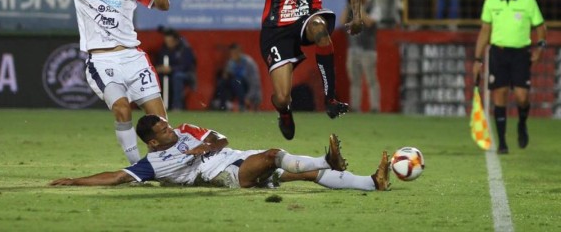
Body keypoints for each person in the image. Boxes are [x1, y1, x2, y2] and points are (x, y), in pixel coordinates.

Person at [44, 0, 170, 164]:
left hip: (133, 57)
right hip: (102, 59)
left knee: (159, 122)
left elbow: (163, 5)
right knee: (122, 109)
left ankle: (166, 165)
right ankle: (137, 167)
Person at [233, 0, 364, 140]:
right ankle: (284, 112)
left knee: (320, 30)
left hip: (307, 17)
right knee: (282, 97)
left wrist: (358, 15)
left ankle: (330, 98)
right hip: (277, 28)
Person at [50, 114, 391, 191]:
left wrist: (207, 145)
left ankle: (371, 183)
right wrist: (76, 181)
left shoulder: (185, 130)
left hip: (233, 156)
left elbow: (222, 139)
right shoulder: (153, 162)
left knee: (305, 175)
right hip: (225, 176)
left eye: (167, 125)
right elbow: (117, 176)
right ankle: (324, 158)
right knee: (275, 155)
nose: (171, 129)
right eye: (163, 131)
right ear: (153, 142)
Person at [472, 0, 546, 155]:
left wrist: (540, 47)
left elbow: (540, 27)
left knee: (522, 97)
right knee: (500, 95)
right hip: (499, 53)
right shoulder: (491, 2)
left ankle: (522, 123)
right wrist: (477, 59)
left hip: (521, 54)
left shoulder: (528, 2)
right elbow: (485, 31)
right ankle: (503, 142)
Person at [340, 0, 382, 113]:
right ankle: (355, 106)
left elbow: (369, 22)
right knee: (355, 81)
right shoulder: (351, 8)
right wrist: (348, 7)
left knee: (371, 80)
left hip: (368, 50)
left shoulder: (374, 8)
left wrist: (357, 7)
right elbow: (342, 23)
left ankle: (375, 107)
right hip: (353, 49)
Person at [155, 28, 197, 111]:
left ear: (176, 41)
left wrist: (172, 69)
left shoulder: (185, 49)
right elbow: (159, 63)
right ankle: (157, 106)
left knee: (177, 77)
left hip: (186, 74)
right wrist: (159, 68)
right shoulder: (164, 50)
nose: (168, 44)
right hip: (168, 75)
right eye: (166, 41)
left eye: (170, 42)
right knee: (155, 78)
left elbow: (186, 66)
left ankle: (177, 106)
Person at [215, 43, 262, 111]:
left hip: (248, 90)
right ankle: (223, 106)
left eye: (235, 53)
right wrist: (225, 75)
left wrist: (249, 97)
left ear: (240, 52)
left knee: (236, 80)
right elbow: (226, 77)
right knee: (222, 82)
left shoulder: (249, 63)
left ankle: (243, 106)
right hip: (237, 87)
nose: (233, 55)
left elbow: (255, 83)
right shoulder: (231, 62)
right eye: (232, 53)